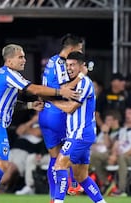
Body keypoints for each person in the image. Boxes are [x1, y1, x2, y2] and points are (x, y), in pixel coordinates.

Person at [0, 44, 80, 203]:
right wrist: (60, 91)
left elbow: (8, 102)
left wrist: (29, 105)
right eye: (20, 57)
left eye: (24, 56)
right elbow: (33, 89)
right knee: (1, 166)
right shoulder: (9, 73)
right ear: (9, 60)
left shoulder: (1, 73)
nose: (24, 60)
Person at [49, 51, 107, 203]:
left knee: (60, 165)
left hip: (80, 134)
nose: (69, 68)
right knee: (81, 176)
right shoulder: (74, 83)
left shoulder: (85, 83)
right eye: (67, 65)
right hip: (79, 134)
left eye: (73, 65)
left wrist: (51, 101)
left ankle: (58, 201)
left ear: (82, 66)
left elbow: (70, 108)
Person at [38, 33, 84, 201]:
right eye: (79, 50)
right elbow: (65, 88)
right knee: (68, 153)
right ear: (71, 49)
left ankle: (53, 196)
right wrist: (81, 76)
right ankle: (71, 185)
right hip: (58, 113)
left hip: (45, 113)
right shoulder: (62, 64)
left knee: (54, 157)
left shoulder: (51, 60)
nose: (80, 54)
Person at [89, 110, 121, 193]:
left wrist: (105, 133)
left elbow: (108, 146)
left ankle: (106, 183)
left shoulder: (119, 132)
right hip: (100, 155)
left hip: (112, 156)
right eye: (106, 120)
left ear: (115, 121)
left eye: (109, 120)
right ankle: (106, 183)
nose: (106, 122)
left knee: (91, 158)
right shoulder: (107, 131)